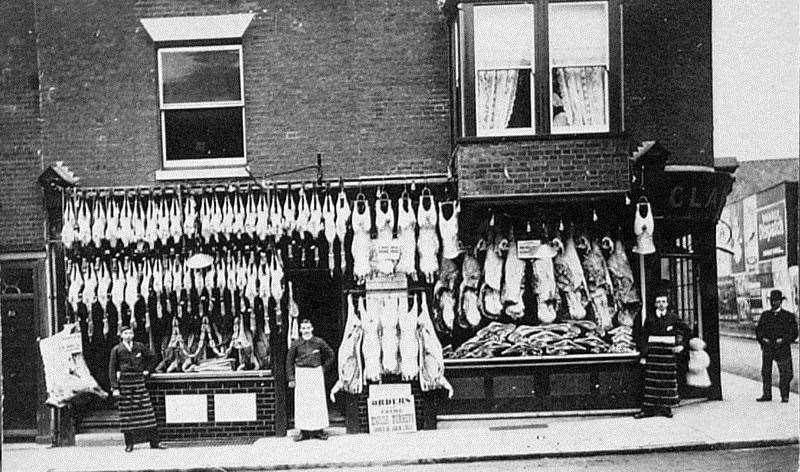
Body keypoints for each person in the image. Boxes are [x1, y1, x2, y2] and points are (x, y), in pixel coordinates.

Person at [634, 289, 690, 419]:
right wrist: (643, 355)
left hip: (667, 357)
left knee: (666, 382)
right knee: (651, 382)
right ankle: (648, 410)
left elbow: (687, 331)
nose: (661, 304)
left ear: (667, 304)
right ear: (654, 304)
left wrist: (681, 345)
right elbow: (643, 337)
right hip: (653, 356)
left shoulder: (673, 318)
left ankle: (666, 408)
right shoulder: (650, 319)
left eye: (663, 302)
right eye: (658, 302)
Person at [109, 326, 165, 452]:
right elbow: (112, 369)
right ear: (121, 335)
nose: (128, 335)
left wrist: (147, 371)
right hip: (125, 384)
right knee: (127, 416)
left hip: (139, 383)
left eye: (130, 332)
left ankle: (155, 442)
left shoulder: (139, 346)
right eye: (125, 333)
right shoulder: (116, 349)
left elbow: (153, 358)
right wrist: (115, 387)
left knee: (148, 413)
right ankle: (129, 444)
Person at [286, 318, 335, 441]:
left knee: (317, 402)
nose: (306, 330)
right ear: (300, 330)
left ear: (312, 328)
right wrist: (291, 378)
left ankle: (319, 430)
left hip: (315, 373)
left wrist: (323, 368)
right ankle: (303, 432)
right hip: (302, 374)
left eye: (308, 328)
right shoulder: (296, 344)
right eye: (303, 328)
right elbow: (289, 361)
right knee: (303, 403)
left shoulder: (318, 342)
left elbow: (331, 354)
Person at [755, 289, 798, 403]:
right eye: (772, 301)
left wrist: (783, 340)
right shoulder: (765, 315)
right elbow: (758, 330)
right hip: (768, 348)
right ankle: (766, 394)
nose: (773, 303)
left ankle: (785, 395)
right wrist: (763, 339)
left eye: (776, 301)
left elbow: (794, 333)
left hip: (782, 349)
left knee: (786, 373)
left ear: (780, 301)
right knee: (766, 372)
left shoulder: (788, 316)